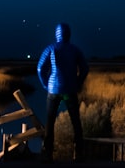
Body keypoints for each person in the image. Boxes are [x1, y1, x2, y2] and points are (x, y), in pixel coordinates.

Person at [36, 22, 89, 162]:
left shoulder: (51, 48)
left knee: (50, 122)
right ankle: (79, 153)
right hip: (70, 89)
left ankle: (47, 154)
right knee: (76, 122)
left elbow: (40, 68)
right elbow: (85, 68)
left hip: (53, 89)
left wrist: (45, 85)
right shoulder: (75, 49)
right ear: (68, 34)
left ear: (56, 34)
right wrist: (78, 82)